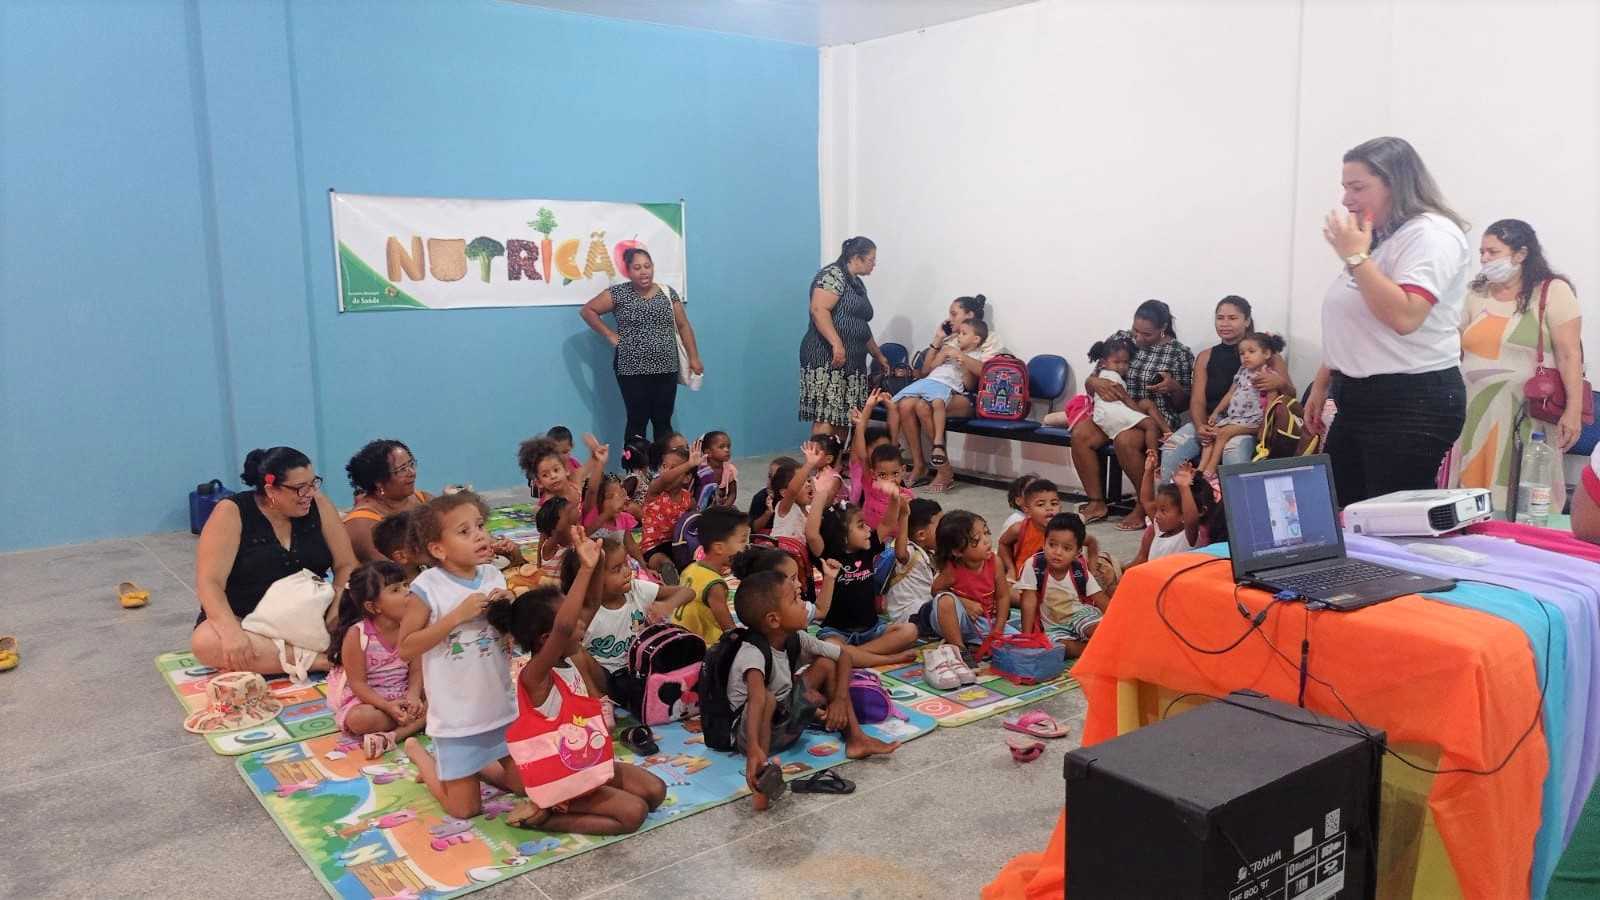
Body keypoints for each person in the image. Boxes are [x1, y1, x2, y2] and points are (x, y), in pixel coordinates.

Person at [1304, 136, 1472, 506]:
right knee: (1341, 510)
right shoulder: (1382, 241)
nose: (1347, 200)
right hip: (1359, 396)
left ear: (1395, 183)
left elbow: (1405, 315)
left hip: (1410, 400)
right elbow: (1357, 325)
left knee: (1386, 522)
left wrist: (1355, 258)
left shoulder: (1431, 234)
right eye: (1345, 188)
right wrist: (1322, 382)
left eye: (1358, 187)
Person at [491, 532, 669, 834]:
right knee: (633, 813)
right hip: (561, 774)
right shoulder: (535, 675)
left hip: (586, 761)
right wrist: (585, 570)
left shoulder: (569, 654)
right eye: (576, 623)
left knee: (655, 791)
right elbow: (563, 626)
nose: (584, 624)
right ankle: (546, 816)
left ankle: (556, 801)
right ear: (547, 639)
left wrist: (595, 562)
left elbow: (590, 603)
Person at [726, 571, 899, 812]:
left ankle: (856, 739)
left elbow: (844, 655)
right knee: (765, 697)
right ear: (774, 620)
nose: (806, 606)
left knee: (827, 663)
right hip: (751, 736)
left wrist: (838, 700)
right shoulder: (752, 653)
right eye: (796, 600)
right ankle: (761, 777)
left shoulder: (795, 637)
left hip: (782, 720)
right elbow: (756, 700)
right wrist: (754, 748)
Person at [397, 492, 524, 820]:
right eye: (464, 532)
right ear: (438, 549)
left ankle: (475, 769)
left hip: (500, 707)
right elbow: (406, 646)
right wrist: (455, 616)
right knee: (464, 811)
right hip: (457, 718)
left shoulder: (493, 574)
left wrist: (508, 602)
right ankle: (423, 758)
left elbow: (506, 633)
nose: (479, 535)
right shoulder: (428, 587)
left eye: (480, 526)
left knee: (525, 787)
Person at [1450, 219, 1585, 510]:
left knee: (1521, 498)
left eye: (1492, 252)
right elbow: (1455, 348)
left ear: (1521, 254)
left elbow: (1569, 354)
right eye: (1482, 252)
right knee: (1471, 499)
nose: (1484, 259)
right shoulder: (1476, 294)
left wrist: (1573, 410)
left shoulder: (1552, 291)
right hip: (1474, 412)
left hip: (1526, 415)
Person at [193, 447, 357, 673]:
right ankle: (322, 661)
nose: (309, 493)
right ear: (271, 490)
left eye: (313, 483)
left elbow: (346, 564)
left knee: (375, 617)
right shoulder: (230, 512)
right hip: (250, 621)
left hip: (312, 614)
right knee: (206, 642)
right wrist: (231, 632)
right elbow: (209, 582)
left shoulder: (319, 504)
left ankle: (286, 656)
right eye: (300, 488)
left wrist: (338, 602)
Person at [1070, 300, 1195, 529]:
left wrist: (1173, 387)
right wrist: (1093, 381)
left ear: (1163, 328)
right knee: (1080, 434)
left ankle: (1144, 504)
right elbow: (1095, 377)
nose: (1138, 337)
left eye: (1146, 334)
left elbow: (1184, 403)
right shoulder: (1121, 340)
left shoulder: (1178, 353)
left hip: (1152, 414)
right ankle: (1097, 501)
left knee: (1125, 440)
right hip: (1114, 410)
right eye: (1135, 330)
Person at [1160, 297, 1294, 482]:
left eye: (1232, 318)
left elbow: (1290, 396)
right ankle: (1172, 507)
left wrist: (1279, 383)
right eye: (1220, 318)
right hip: (1214, 421)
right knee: (1171, 448)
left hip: (1249, 425)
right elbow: (1197, 401)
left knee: (1233, 450)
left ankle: (1234, 509)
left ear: (1246, 321)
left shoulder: (1266, 354)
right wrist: (1201, 426)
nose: (1225, 323)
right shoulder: (1206, 356)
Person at [580, 248, 704, 444]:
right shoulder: (618, 293)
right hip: (631, 370)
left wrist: (694, 357)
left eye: (647, 266)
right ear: (628, 271)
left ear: (653, 267)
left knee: (663, 420)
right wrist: (609, 334)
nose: (643, 271)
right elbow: (588, 311)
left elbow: (683, 325)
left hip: (666, 368)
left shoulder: (668, 293)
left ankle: (666, 469)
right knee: (637, 420)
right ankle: (636, 471)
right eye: (637, 267)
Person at [807, 471, 918, 665]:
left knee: (910, 631)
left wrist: (893, 497)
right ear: (842, 536)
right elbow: (811, 534)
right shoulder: (829, 556)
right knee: (833, 647)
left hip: (872, 630)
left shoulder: (867, 548)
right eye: (860, 526)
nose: (868, 529)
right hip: (837, 631)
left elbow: (888, 522)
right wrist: (820, 497)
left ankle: (855, 655)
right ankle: (886, 658)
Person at [561, 536, 692, 700]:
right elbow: (564, 643)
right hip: (605, 677)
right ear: (593, 580)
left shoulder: (636, 589)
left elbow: (687, 592)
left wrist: (667, 605)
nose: (627, 571)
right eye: (616, 569)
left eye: (626, 564)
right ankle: (598, 701)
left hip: (641, 670)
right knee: (575, 653)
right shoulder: (586, 610)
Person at [900, 296, 1006, 489]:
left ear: (970, 315)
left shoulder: (988, 337)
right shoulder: (951, 338)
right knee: (907, 404)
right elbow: (924, 372)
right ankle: (919, 464)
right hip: (940, 389)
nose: (949, 318)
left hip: (969, 395)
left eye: (954, 314)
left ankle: (943, 470)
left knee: (924, 406)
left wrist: (960, 356)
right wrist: (938, 339)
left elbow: (988, 373)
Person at [324, 560, 426, 758]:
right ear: (373, 606)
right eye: (396, 590)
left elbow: (416, 670)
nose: (407, 592)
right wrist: (388, 706)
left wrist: (413, 696)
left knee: (441, 701)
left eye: (406, 585)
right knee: (359, 720)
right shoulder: (357, 635)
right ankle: (413, 723)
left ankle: (392, 737)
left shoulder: (414, 626)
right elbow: (358, 684)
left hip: (406, 695)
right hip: (372, 701)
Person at [798, 237, 891, 436]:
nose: (874, 264)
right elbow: (818, 309)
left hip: (853, 360)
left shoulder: (857, 283)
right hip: (827, 356)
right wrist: (836, 343)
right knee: (827, 415)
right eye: (871, 259)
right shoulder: (833, 275)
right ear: (856, 258)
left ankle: (837, 464)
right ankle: (822, 465)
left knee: (844, 416)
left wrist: (877, 354)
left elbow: (860, 326)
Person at [1014, 513, 1108, 657]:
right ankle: (1092, 650)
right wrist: (1027, 636)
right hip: (1054, 626)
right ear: (1044, 542)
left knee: (1098, 629)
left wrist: (1116, 625)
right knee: (1057, 648)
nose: (1057, 552)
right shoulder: (1034, 565)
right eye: (1052, 545)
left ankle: (1100, 644)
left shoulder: (1078, 569)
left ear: (1077, 552)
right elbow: (1028, 601)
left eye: (1067, 548)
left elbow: (1100, 598)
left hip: (1081, 615)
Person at [1197, 332, 1288, 477]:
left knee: (1223, 434)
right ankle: (1199, 471)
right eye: (1242, 353)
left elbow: (1272, 403)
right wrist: (1216, 412)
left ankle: (1210, 470)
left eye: (1251, 352)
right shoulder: (1242, 371)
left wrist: (1264, 429)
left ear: (1266, 354)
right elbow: (1230, 394)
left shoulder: (1268, 377)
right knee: (1211, 434)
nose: (1245, 356)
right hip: (1235, 419)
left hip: (1254, 421)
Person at [342, 440, 434, 563]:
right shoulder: (361, 524)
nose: (412, 473)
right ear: (379, 481)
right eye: (402, 469)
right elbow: (390, 571)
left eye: (411, 464)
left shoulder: (424, 499)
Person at [671, 506, 750, 644]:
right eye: (742, 541)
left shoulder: (692, 567)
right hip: (698, 646)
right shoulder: (715, 585)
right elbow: (729, 630)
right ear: (719, 547)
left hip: (678, 636)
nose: (747, 546)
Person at [640, 440, 700, 582]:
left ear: (686, 478)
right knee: (661, 561)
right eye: (664, 466)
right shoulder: (655, 491)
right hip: (653, 546)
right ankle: (670, 575)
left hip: (677, 544)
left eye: (673, 468)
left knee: (693, 560)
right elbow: (665, 478)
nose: (667, 471)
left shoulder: (688, 500)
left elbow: (693, 524)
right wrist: (689, 464)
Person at [1132, 453, 1206, 565]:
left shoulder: (1188, 538)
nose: (1156, 515)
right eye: (1157, 510)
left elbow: (1191, 519)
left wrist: (1184, 487)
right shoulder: (1159, 530)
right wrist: (1148, 471)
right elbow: (1146, 501)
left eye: (1163, 511)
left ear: (1183, 515)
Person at [885, 498, 943, 627]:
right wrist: (904, 517)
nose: (946, 530)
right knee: (949, 606)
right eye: (942, 526)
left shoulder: (931, 553)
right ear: (921, 535)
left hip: (926, 608)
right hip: (909, 615)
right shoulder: (910, 551)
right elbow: (900, 554)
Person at [998, 478, 1062, 581]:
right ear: (1027, 510)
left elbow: (1090, 541)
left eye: (1054, 503)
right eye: (1041, 504)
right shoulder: (1019, 528)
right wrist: (1010, 569)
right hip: (1024, 582)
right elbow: (1003, 544)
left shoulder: (1067, 529)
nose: (1049, 508)